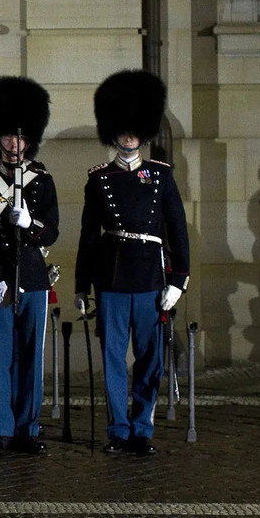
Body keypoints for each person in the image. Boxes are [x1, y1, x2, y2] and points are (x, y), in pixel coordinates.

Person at [75, 69, 189, 456]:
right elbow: (89, 236)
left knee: (149, 359)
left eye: (134, 129)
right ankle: (118, 429)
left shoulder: (160, 176)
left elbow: (177, 230)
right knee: (112, 360)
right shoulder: (99, 179)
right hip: (111, 276)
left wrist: (179, 279)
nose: (128, 136)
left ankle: (142, 427)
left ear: (143, 132)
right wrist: (81, 285)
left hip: (150, 278)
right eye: (122, 129)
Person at [0, 76, 58, 455]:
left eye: (19, 138)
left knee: (30, 356)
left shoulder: (41, 177)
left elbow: (51, 230)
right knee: (0, 355)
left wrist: (29, 225)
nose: (13, 144)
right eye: (6, 137)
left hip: (34, 276)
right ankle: (1, 427)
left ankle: (28, 426)